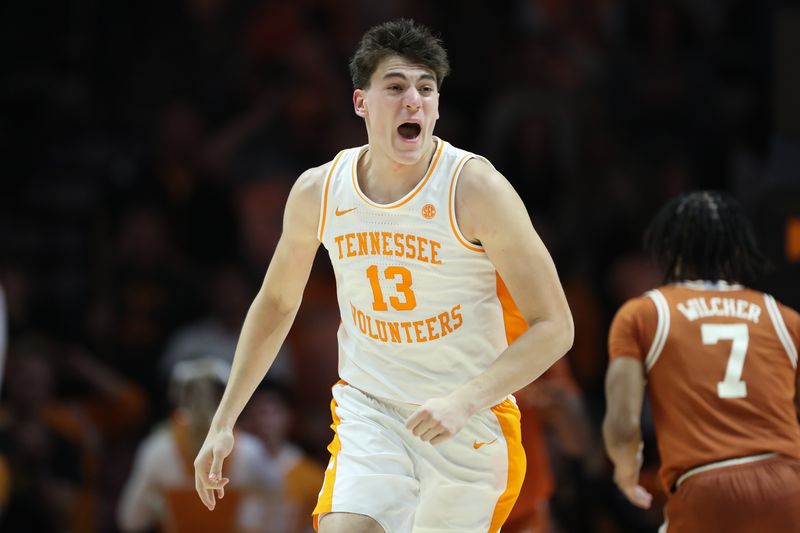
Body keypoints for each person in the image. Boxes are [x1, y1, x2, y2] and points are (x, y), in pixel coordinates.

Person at [195, 18, 574, 533]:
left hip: (466, 423)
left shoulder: (476, 188)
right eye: (395, 88)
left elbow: (555, 325)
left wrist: (465, 400)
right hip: (370, 413)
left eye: (425, 89)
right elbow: (278, 303)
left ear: (437, 105)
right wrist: (224, 422)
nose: (413, 101)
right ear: (361, 103)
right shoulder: (319, 191)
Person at [603, 191, 800, 533]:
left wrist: (625, 473)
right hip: (788, 484)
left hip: (705, 487)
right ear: (738, 250)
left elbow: (622, 426)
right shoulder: (784, 318)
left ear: (668, 251)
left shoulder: (645, 312)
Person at [119, 357, 283, 533]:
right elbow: (278, 506)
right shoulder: (248, 450)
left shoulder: (157, 449)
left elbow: (131, 519)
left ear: (178, 398)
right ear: (226, 396)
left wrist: (160, 506)